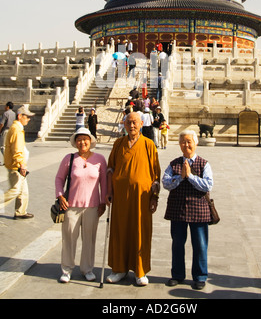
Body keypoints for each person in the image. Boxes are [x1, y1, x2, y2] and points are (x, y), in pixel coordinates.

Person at [105, 111, 160, 286]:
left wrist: (154, 197)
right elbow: (110, 168)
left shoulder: (149, 144)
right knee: (120, 230)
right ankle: (119, 268)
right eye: (129, 122)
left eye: (135, 122)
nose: (132, 125)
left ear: (142, 124)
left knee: (140, 232)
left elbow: (156, 173)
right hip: (120, 197)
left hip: (141, 198)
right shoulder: (118, 143)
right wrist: (108, 190)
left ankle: (140, 270)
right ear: (124, 124)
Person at [162, 130, 213, 290]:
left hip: (199, 210)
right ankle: (177, 274)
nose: (186, 145)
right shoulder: (174, 164)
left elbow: (208, 185)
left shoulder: (204, 164)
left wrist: (190, 176)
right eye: (183, 142)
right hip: (178, 209)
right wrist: (180, 177)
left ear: (196, 143)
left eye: (189, 141)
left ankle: (200, 276)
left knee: (200, 244)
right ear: (179, 144)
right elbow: (166, 182)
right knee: (177, 243)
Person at [55, 127, 107, 283]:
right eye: (79, 139)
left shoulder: (100, 159)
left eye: (85, 139)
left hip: (92, 206)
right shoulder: (69, 159)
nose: (82, 142)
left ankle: (87, 268)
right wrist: (59, 196)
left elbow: (104, 182)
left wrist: (103, 201)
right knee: (69, 238)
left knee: (89, 239)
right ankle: (67, 269)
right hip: (71, 206)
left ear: (90, 141)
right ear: (75, 142)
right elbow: (59, 179)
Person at [1, 105, 35, 219]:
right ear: (20, 116)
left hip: (18, 165)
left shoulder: (18, 127)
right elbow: (17, 149)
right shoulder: (16, 129)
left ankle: (21, 211)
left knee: (23, 191)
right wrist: (21, 164)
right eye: (27, 117)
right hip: (16, 166)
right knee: (15, 190)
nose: (28, 119)